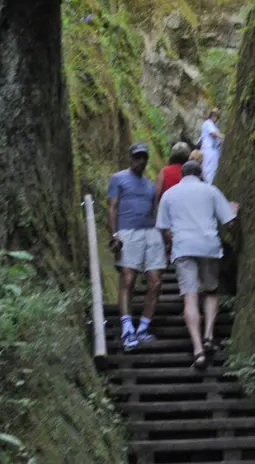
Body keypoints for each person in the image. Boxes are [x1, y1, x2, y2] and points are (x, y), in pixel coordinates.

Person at [157, 158, 239, 370]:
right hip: (208, 246)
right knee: (211, 291)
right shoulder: (211, 191)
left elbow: (164, 229)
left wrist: (169, 247)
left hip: (183, 247)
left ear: (182, 175)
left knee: (190, 298)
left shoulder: (169, 194)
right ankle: (209, 335)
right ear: (200, 174)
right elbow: (229, 222)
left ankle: (198, 350)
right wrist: (233, 211)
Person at [107, 142, 164, 351]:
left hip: (151, 233)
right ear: (131, 158)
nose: (140, 161)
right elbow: (112, 208)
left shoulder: (150, 186)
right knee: (128, 277)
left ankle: (143, 328)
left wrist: (163, 235)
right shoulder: (118, 179)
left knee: (156, 283)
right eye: (137, 157)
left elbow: (155, 212)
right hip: (127, 232)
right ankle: (127, 327)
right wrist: (114, 235)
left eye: (144, 157)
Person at [198, 109, 225, 184]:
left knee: (212, 169)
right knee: (208, 169)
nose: (215, 117)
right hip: (208, 149)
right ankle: (207, 184)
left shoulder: (214, 126)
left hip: (213, 150)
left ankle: (208, 184)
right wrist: (225, 137)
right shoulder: (208, 123)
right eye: (214, 115)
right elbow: (213, 133)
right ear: (211, 115)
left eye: (216, 116)